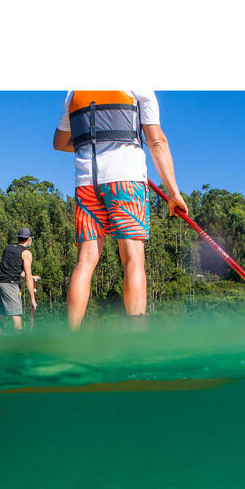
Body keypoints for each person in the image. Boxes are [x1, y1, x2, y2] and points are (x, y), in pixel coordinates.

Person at [53, 90, 188, 329]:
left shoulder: (74, 91)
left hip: (86, 182)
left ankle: (70, 336)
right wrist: (173, 191)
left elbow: (60, 142)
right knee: (132, 256)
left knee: (85, 260)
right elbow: (156, 141)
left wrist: (96, 140)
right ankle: (136, 334)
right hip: (127, 179)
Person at [0, 227, 37, 331]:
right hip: (10, 286)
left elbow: (12, 269)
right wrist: (32, 299)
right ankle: (19, 344)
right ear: (29, 239)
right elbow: (28, 278)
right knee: (17, 318)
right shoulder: (26, 253)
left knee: (0, 320)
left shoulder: (7, 248)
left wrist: (31, 276)